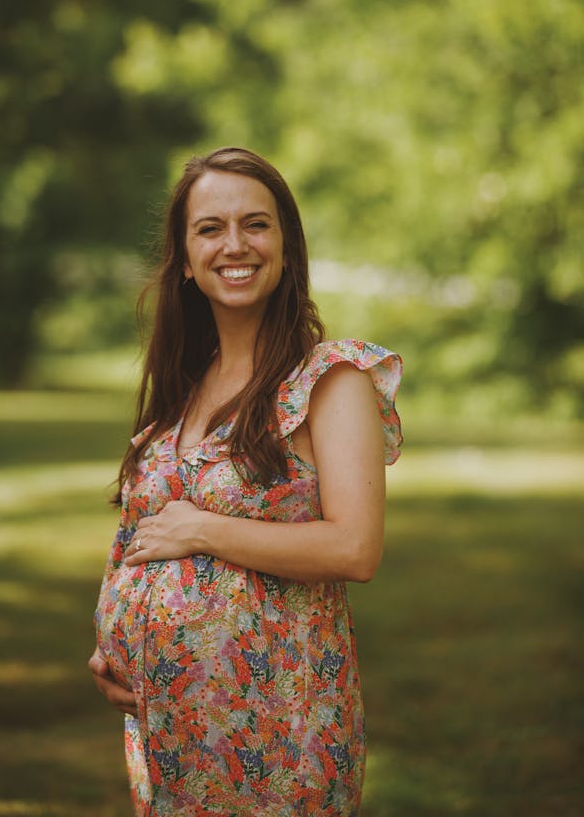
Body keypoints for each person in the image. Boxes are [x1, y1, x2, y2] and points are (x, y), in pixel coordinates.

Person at [89, 146, 402, 817]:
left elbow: (355, 549)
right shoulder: (183, 384)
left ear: (286, 243)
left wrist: (203, 528)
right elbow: (143, 529)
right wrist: (114, 640)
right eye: (210, 228)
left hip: (281, 732)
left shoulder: (328, 380)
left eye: (255, 224)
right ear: (184, 257)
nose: (235, 244)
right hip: (170, 731)